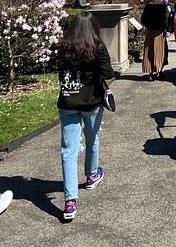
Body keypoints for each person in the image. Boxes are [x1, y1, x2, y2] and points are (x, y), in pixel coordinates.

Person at [57, 12, 114, 221]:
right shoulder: (97, 47)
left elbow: (60, 72)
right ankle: (91, 175)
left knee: (68, 151)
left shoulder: (64, 47)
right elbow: (108, 73)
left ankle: (70, 200)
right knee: (92, 139)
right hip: (91, 102)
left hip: (68, 101)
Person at [140, 0, 169, 81]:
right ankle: (159, 71)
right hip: (159, 32)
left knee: (149, 52)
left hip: (150, 31)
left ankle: (150, 72)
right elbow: (166, 20)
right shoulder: (162, 6)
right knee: (159, 52)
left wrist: (149, 25)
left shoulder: (148, 6)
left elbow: (143, 19)